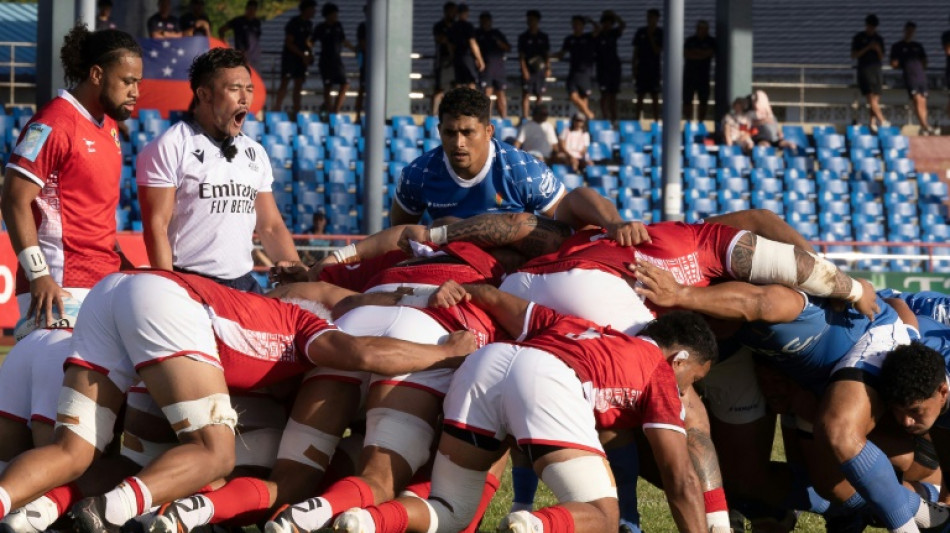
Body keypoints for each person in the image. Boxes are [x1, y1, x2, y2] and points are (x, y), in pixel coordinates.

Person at [0, 269, 477, 533]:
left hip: (114, 293)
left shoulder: (271, 311)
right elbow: (364, 352)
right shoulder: (304, 327)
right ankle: (109, 512)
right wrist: (447, 351)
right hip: (165, 304)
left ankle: (23, 508)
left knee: (74, 453)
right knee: (215, 452)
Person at [329, 287, 716, 533]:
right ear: (679, 359)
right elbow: (679, 476)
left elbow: (495, 299)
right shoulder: (660, 372)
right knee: (602, 516)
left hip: (489, 362)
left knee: (451, 510)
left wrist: (450, 291)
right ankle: (530, 524)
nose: (686, 390)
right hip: (548, 378)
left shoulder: (580, 326)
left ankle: (368, 520)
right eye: (693, 379)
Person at [0, 24, 142, 481]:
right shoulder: (55, 122)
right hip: (62, 295)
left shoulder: (111, 130)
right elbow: (13, 196)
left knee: (102, 436)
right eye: (129, 81)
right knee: (68, 455)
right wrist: (39, 274)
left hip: (99, 291)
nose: (137, 91)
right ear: (97, 74)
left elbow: (94, 218)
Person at [137, 47, 303, 293]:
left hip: (244, 283)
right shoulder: (171, 145)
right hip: (191, 281)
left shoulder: (254, 151)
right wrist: (169, 292)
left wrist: (297, 273)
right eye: (234, 89)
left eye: (249, 89)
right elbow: (156, 226)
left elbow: (270, 226)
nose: (245, 98)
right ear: (204, 94)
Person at [389, 88, 565, 226]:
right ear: (439, 131)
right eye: (450, 133)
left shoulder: (525, 170)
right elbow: (399, 236)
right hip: (450, 264)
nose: (459, 143)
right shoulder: (417, 174)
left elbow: (568, 226)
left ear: (489, 132)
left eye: (468, 132)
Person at [890, 21, 936, 135]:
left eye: (912, 31)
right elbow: (893, 63)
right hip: (910, 76)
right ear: (904, 31)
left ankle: (924, 125)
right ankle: (925, 125)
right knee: (917, 99)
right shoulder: (898, 46)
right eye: (908, 31)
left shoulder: (918, 46)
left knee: (923, 101)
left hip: (920, 75)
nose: (910, 33)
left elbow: (925, 61)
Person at [274, 0, 316, 116]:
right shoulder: (294, 22)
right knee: (285, 82)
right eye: (312, 9)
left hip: (301, 60)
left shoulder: (309, 25)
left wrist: (309, 54)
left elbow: (308, 42)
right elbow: (289, 42)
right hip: (290, 58)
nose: (314, 12)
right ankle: (276, 108)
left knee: (299, 84)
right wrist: (302, 54)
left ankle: (296, 111)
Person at [312, 2, 355, 114]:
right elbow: (310, 42)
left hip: (337, 61)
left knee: (345, 84)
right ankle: (329, 109)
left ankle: (336, 109)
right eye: (334, 14)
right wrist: (307, 54)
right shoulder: (320, 28)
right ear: (328, 15)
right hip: (325, 61)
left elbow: (343, 40)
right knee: (328, 86)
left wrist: (354, 49)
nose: (336, 16)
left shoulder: (338, 26)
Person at [554, 15, 598, 120]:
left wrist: (591, 21)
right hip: (573, 72)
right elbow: (561, 54)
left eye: (578, 24)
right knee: (573, 96)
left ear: (582, 25)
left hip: (585, 73)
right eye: (574, 24)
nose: (575, 26)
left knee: (583, 98)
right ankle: (590, 115)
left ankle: (583, 121)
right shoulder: (569, 39)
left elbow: (598, 30)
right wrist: (547, 55)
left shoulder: (588, 37)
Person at [851, 14, 888, 131]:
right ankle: (882, 120)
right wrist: (867, 47)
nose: (871, 29)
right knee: (870, 97)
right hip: (864, 69)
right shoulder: (859, 38)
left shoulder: (879, 39)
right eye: (869, 26)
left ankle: (872, 122)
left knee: (876, 98)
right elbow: (854, 55)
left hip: (876, 70)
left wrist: (876, 49)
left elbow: (882, 57)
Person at [475, 11, 510, 119]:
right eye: (483, 21)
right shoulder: (477, 34)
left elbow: (508, 48)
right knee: (487, 93)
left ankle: (504, 118)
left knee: (500, 93)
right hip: (485, 69)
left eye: (487, 20)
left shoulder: (497, 34)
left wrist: (499, 43)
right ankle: (487, 119)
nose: (485, 23)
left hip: (498, 68)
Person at [594, 10, 625, 124]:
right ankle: (605, 118)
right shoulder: (598, 35)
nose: (607, 25)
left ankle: (614, 119)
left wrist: (614, 15)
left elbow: (622, 25)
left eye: (610, 23)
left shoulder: (613, 34)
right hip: (602, 68)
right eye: (605, 23)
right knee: (604, 95)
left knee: (613, 95)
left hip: (614, 68)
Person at [518, 10, 550, 119]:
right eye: (529, 20)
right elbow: (521, 56)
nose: (530, 22)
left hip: (540, 69)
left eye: (533, 20)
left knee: (539, 94)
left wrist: (548, 68)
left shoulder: (543, 37)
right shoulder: (523, 37)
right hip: (528, 69)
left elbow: (547, 55)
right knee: (526, 93)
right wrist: (524, 69)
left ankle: (538, 117)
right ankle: (525, 117)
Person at [632, 9, 663, 121]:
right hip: (642, 68)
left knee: (655, 96)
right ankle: (637, 119)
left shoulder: (660, 33)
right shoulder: (640, 32)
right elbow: (635, 51)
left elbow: (657, 50)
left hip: (654, 69)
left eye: (653, 17)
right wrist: (633, 66)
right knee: (640, 95)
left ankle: (656, 120)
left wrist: (651, 36)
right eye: (649, 17)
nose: (650, 20)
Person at [683, 20, 716, 122]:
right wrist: (701, 54)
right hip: (689, 75)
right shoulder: (690, 40)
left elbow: (709, 53)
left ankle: (701, 122)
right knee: (687, 100)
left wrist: (696, 53)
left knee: (703, 100)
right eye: (699, 28)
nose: (701, 31)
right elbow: (686, 54)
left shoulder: (711, 41)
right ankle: (688, 121)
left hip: (703, 75)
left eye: (703, 29)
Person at [448, 4, 484, 90]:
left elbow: (450, 44)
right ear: (466, 13)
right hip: (467, 57)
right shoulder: (468, 26)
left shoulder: (453, 26)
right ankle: (470, 102)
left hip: (457, 56)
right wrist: (479, 59)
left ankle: (458, 102)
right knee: (471, 82)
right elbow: (472, 43)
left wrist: (452, 56)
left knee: (459, 82)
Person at [431, 2, 457, 116]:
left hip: (456, 63)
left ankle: (451, 114)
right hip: (443, 62)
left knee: (454, 90)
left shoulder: (457, 26)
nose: (453, 14)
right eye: (451, 11)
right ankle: (433, 114)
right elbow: (441, 39)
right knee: (439, 89)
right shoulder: (439, 26)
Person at [218, 1, 263, 69]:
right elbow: (222, 30)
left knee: (254, 75)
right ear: (246, 9)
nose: (251, 12)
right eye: (250, 9)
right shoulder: (238, 21)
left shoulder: (257, 23)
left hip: (254, 55)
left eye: (253, 10)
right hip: (241, 53)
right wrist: (225, 44)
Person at [354, 5, 368, 122]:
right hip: (366, 64)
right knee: (363, 88)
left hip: (375, 66)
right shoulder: (363, 27)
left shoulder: (380, 26)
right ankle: (358, 115)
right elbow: (363, 45)